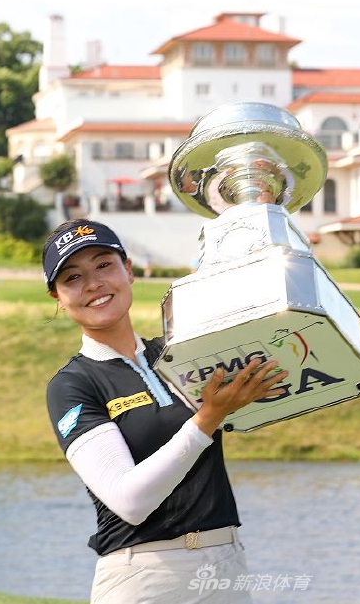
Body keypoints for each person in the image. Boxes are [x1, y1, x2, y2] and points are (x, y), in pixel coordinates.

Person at [43, 219, 287, 603]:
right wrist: (207, 418)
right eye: (73, 277)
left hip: (225, 563)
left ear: (129, 271)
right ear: (57, 297)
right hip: (142, 575)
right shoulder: (73, 385)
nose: (93, 284)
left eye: (104, 265)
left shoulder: (180, 353)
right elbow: (131, 502)